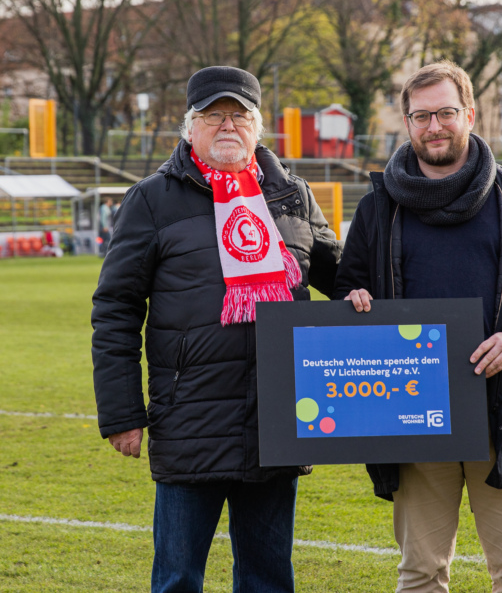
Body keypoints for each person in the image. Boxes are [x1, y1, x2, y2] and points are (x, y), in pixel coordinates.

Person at [91, 66, 342, 593]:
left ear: (257, 127)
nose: (227, 126)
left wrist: (358, 292)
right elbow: (116, 309)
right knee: (179, 580)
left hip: (275, 419)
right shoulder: (153, 199)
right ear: (190, 128)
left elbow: (342, 277)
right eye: (212, 116)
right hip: (190, 421)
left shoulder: (292, 195)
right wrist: (121, 413)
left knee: (268, 580)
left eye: (239, 115)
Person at [334, 61, 502, 593]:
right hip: (411, 412)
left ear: (469, 114)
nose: (435, 126)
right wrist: (351, 300)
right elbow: (346, 286)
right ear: (406, 123)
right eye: (421, 116)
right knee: (420, 574)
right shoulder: (378, 207)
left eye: (446, 112)